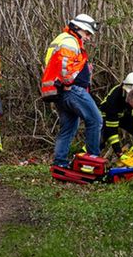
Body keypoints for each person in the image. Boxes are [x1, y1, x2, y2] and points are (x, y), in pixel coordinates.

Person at [40, 13, 102, 168]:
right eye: (87, 33)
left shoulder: (62, 39)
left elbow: (51, 63)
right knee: (95, 120)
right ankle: (92, 162)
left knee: (68, 128)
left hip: (61, 92)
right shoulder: (70, 41)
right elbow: (64, 66)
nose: (88, 37)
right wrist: (67, 81)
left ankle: (60, 163)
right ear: (78, 28)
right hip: (71, 90)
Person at [99, 71, 133, 156]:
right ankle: (86, 158)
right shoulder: (114, 99)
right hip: (107, 117)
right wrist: (119, 152)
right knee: (99, 138)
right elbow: (112, 130)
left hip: (126, 118)